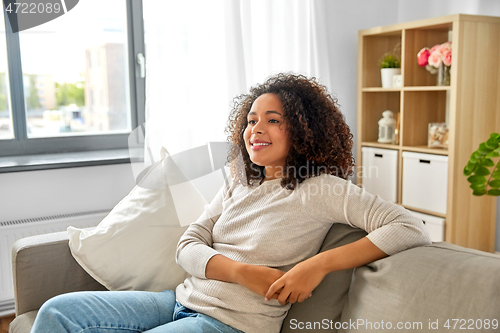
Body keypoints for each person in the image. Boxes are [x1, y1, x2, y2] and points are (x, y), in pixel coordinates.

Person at [31, 73, 431, 333]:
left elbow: (410, 227)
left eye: (273, 120)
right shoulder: (240, 181)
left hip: (232, 324)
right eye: (252, 120)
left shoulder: (322, 188)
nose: (256, 130)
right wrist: (242, 273)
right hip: (179, 301)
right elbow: (187, 246)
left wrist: (317, 264)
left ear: (304, 130)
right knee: (56, 313)